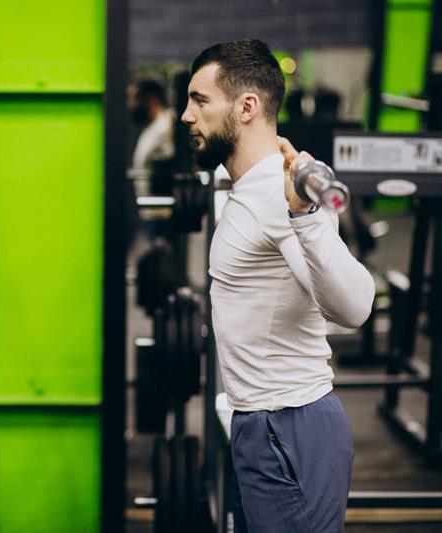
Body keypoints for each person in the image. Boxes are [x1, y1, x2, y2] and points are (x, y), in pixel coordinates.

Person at [180, 40, 375, 532]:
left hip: (286, 426)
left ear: (247, 107)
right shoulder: (258, 188)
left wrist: (306, 215)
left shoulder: (277, 195)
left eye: (200, 101)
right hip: (264, 424)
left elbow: (354, 307)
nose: (186, 116)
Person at [129, 78, 175, 171]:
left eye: (135, 99)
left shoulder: (166, 126)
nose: (131, 105)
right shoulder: (152, 126)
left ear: (152, 99)